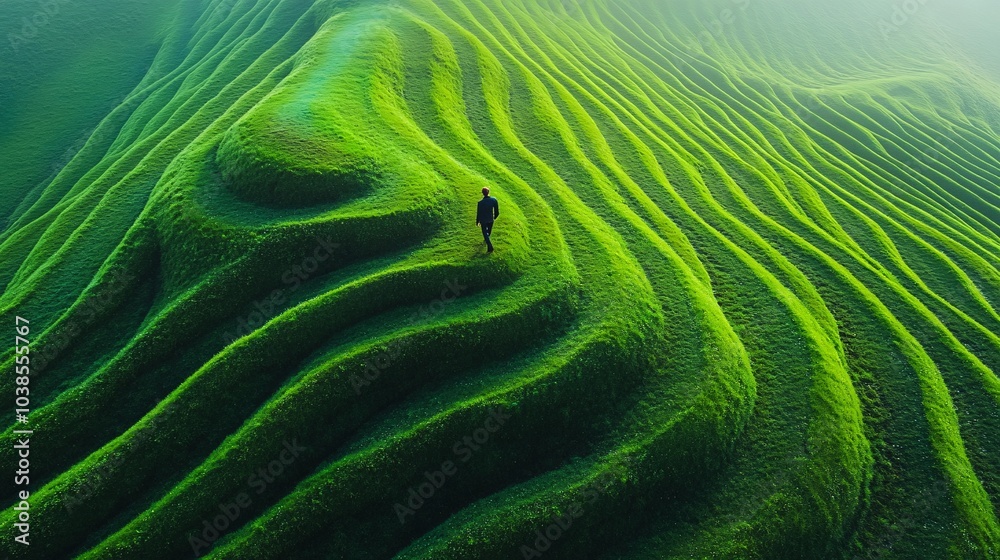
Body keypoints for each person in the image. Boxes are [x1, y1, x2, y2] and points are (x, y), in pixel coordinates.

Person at [476, 186, 500, 253]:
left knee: (485, 233)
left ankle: (490, 246)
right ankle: (487, 240)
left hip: (483, 220)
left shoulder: (480, 203)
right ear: (488, 192)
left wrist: (477, 221)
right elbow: (497, 211)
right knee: (488, 232)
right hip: (490, 219)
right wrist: (494, 217)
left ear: (482, 193)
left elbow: (479, 213)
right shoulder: (494, 200)